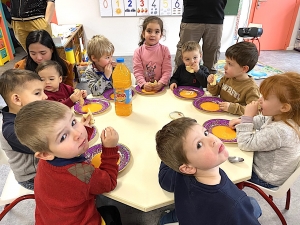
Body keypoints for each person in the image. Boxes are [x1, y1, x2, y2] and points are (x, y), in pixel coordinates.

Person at [15, 100, 122, 225]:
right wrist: (110, 149)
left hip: (48, 219)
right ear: (45, 154)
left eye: (73, 122)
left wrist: (85, 128)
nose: (78, 134)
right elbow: (109, 182)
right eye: (63, 137)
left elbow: (72, 143)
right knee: (113, 211)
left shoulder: (47, 159)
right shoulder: (81, 173)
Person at [156, 117, 261, 225]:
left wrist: (171, 156)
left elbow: (164, 180)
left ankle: (166, 219)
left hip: (190, 217)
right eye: (199, 145)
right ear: (187, 168)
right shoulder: (235, 204)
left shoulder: (179, 173)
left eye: (205, 133)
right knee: (254, 205)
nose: (213, 140)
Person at [229, 72, 300, 188]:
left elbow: (245, 144)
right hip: (266, 166)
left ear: (284, 107)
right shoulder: (282, 116)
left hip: (265, 177)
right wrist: (243, 121)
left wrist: (247, 118)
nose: (260, 100)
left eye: (265, 98)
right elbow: (262, 119)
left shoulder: (280, 131)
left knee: (226, 166)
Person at [0, 69, 48, 190]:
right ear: (16, 99)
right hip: (31, 176)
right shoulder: (11, 130)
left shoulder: (29, 112)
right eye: (37, 93)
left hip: (43, 164)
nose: (45, 96)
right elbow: (47, 147)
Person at [206, 42, 260, 116]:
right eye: (226, 62)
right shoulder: (227, 77)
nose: (225, 67)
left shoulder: (251, 88)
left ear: (244, 69)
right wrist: (212, 84)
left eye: (230, 64)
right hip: (220, 113)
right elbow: (215, 92)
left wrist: (232, 108)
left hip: (234, 120)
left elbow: (255, 111)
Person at [174, 0, 227, 74]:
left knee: (212, 51)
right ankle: (178, 77)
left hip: (216, 16)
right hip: (192, 15)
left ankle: (209, 79)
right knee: (185, 49)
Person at [133, 16, 172, 92]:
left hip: (162, 88)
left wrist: (161, 83)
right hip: (145, 88)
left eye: (157, 32)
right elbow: (138, 71)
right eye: (149, 31)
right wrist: (143, 84)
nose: (153, 35)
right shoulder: (138, 52)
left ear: (161, 35)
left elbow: (167, 71)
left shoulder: (165, 50)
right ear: (143, 33)